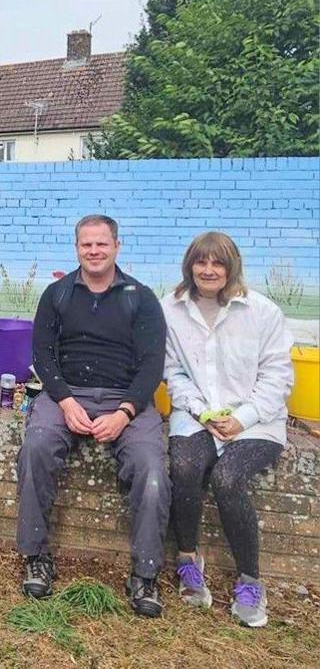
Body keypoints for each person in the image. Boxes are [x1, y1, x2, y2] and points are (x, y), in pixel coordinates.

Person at [16, 215, 169, 617]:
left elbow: (152, 365)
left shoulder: (142, 298)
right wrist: (65, 401)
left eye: (102, 244)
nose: (94, 251)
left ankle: (145, 574)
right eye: (87, 245)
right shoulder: (57, 294)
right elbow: (42, 356)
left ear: (117, 246)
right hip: (66, 393)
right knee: (35, 448)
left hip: (126, 398)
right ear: (77, 248)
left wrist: (125, 412)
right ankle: (36, 556)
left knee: (151, 469)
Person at [162, 231, 294, 628]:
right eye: (201, 262)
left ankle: (250, 582)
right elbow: (173, 371)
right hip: (197, 412)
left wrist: (244, 417)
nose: (208, 270)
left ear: (231, 267)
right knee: (184, 466)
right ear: (190, 266)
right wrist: (202, 412)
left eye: (218, 263)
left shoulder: (263, 312)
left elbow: (278, 377)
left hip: (256, 420)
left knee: (227, 477)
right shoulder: (169, 309)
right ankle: (188, 560)